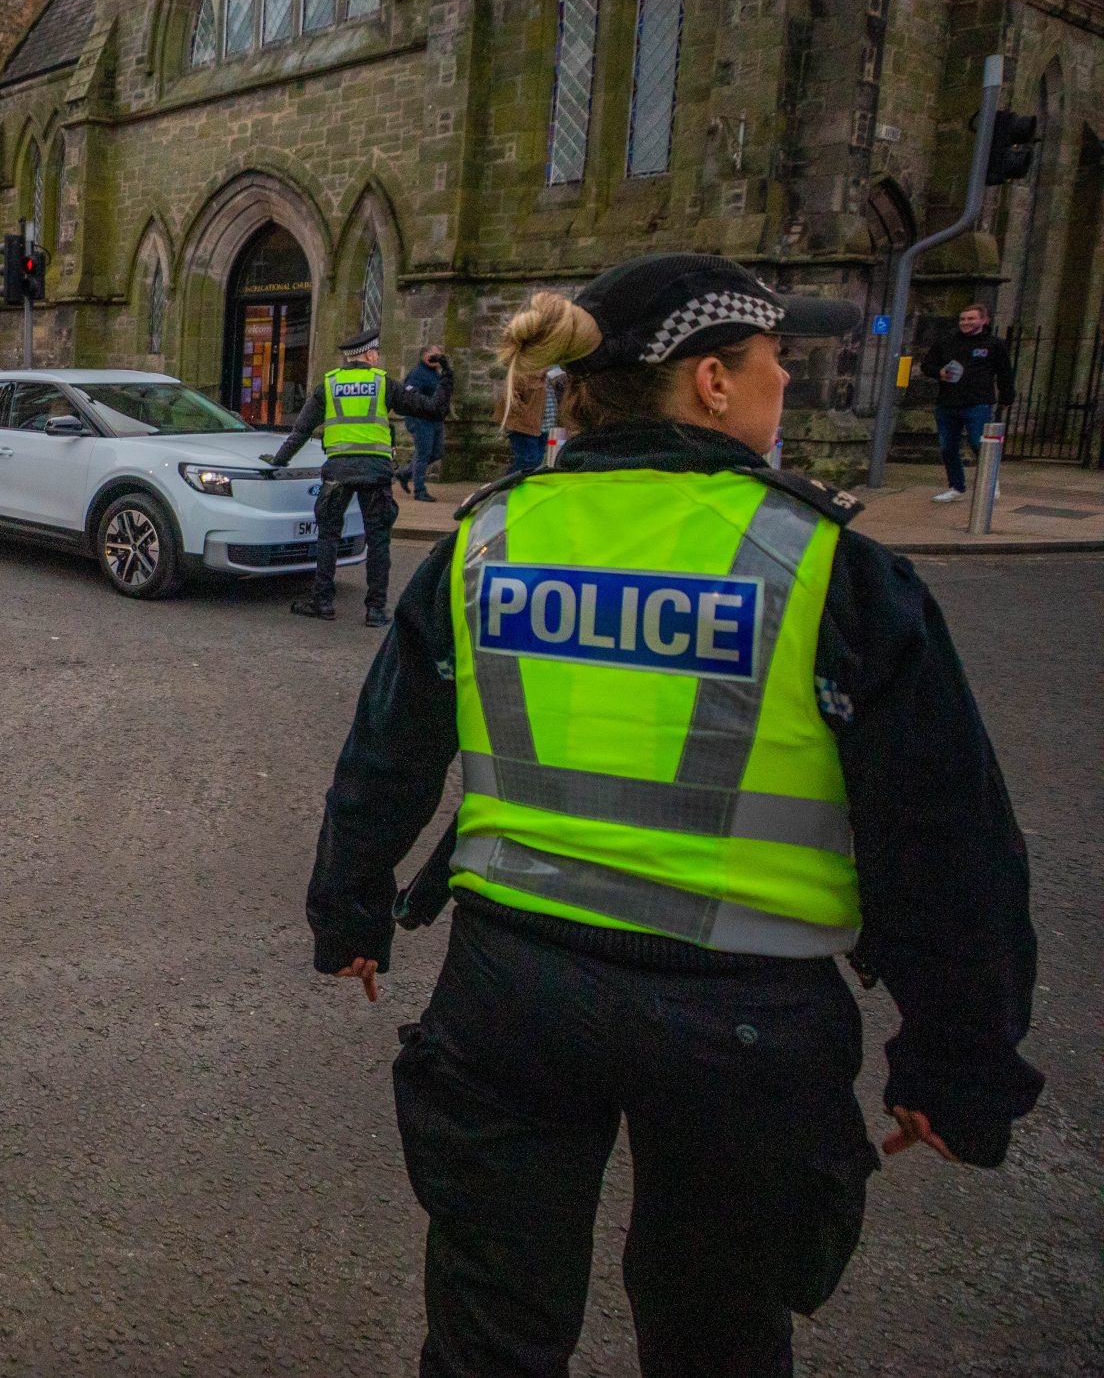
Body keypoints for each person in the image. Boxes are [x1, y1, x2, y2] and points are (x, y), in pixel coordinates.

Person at [305, 253, 1042, 1378]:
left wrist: (350, 910)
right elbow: (946, 842)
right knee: (715, 1336)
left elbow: (386, 752)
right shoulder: (824, 566)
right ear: (708, 382)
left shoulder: (488, 542)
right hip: (741, 1019)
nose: (781, 382)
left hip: (509, 989)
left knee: (488, 1327)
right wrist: (958, 1059)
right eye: (770, 360)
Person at [264, 329, 447, 625]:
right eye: (376, 354)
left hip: (339, 471)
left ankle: (322, 601)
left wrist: (279, 461)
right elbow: (432, 409)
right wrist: (446, 375)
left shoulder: (330, 383)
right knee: (378, 540)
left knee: (328, 536)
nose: (377, 358)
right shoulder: (382, 383)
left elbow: (302, 430)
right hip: (375, 472)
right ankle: (375, 609)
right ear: (370, 355)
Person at [924, 304, 1014, 502]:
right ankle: (956, 487)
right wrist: (939, 372)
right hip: (947, 403)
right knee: (947, 447)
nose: (965, 323)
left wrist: (1007, 398)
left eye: (971, 319)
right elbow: (927, 366)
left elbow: (1005, 372)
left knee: (978, 444)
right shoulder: (946, 343)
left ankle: (990, 483)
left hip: (978, 403)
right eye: (963, 319)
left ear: (984, 320)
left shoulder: (994, 345)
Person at [400, 346, 453, 501]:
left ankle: (405, 473)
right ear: (424, 356)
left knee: (437, 453)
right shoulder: (417, 374)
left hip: (435, 419)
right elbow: (410, 394)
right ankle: (420, 490)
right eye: (434, 355)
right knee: (423, 454)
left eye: (439, 356)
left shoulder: (437, 374)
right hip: (420, 419)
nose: (437, 358)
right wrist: (428, 405)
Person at [502, 362, 548, 474]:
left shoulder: (552, 377)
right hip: (525, 427)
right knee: (528, 460)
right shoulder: (522, 373)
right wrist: (524, 415)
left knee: (537, 460)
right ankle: (508, 484)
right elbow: (511, 397)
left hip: (544, 426)